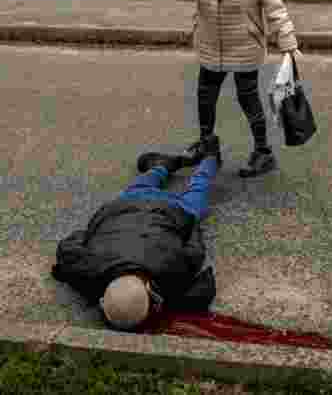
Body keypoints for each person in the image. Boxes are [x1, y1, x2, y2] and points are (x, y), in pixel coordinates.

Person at [149, 0, 301, 178]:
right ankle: (207, 145)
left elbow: (274, 5)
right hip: (210, 43)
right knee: (205, 96)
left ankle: (263, 152)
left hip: (244, 44)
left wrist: (287, 41)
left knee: (248, 98)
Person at [51, 136, 222, 331]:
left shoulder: (170, 272)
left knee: (198, 187)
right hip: (126, 206)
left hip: (174, 211)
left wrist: (192, 225)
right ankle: (160, 167)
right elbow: (68, 246)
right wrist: (96, 234)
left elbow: (195, 252)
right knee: (142, 186)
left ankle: (210, 157)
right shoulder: (88, 268)